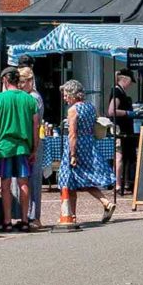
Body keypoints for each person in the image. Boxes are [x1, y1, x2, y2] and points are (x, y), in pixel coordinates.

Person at [0, 67, 41, 230]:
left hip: (3, 148)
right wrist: (34, 149)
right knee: (24, 183)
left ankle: (8, 221)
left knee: (5, 184)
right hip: (23, 147)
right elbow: (35, 126)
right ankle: (25, 220)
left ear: (4, 80)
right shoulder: (30, 99)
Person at [59, 80, 116, 224]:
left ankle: (70, 215)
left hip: (77, 146)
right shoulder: (91, 107)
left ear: (72, 95)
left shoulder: (73, 110)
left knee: (67, 180)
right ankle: (104, 203)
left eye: (66, 95)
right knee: (84, 178)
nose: (64, 98)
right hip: (89, 144)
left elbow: (72, 134)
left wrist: (72, 154)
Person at [18, 65, 45, 226]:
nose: (21, 85)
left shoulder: (34, 97)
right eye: (19, 82)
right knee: (23, 179)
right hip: (26, 140)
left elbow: (34, 123)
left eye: (23, 81)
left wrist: (34, 146)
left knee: (33, 180)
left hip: (34, 140)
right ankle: (25, 215)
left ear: (30, 81)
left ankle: (35, 216)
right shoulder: (25, 96)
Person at [109, 70, 138, 186]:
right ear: (125, 80)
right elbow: (112, 111)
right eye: (130, 83)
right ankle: (117, 183)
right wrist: (127, 113)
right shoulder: (117, 92)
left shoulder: (121, 92)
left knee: (125, 155)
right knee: (119, 155)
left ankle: (123, 181)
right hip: (119, 128)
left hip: (124, 127)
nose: (130, 86)